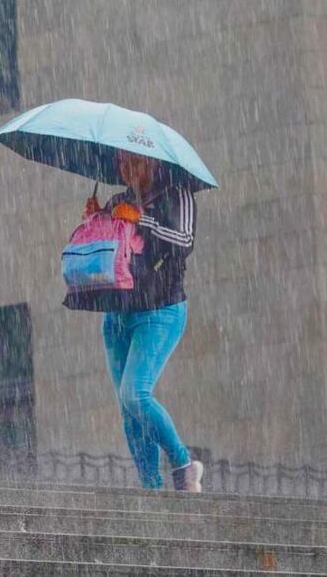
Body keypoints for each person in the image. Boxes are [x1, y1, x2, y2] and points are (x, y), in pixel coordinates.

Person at [69, 149, 203, 492]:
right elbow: (108, 252)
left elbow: (184, 241)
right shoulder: (118, 200)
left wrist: (142, 219)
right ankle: (150, 487)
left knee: (135, 393)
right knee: (127, 408)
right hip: (118, 313)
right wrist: (96, 220)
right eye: (121, 162)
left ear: (151, 161)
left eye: (133, 161)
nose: (125, 168)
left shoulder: (177, 194)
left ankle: (183, 465)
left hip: (161, 310)